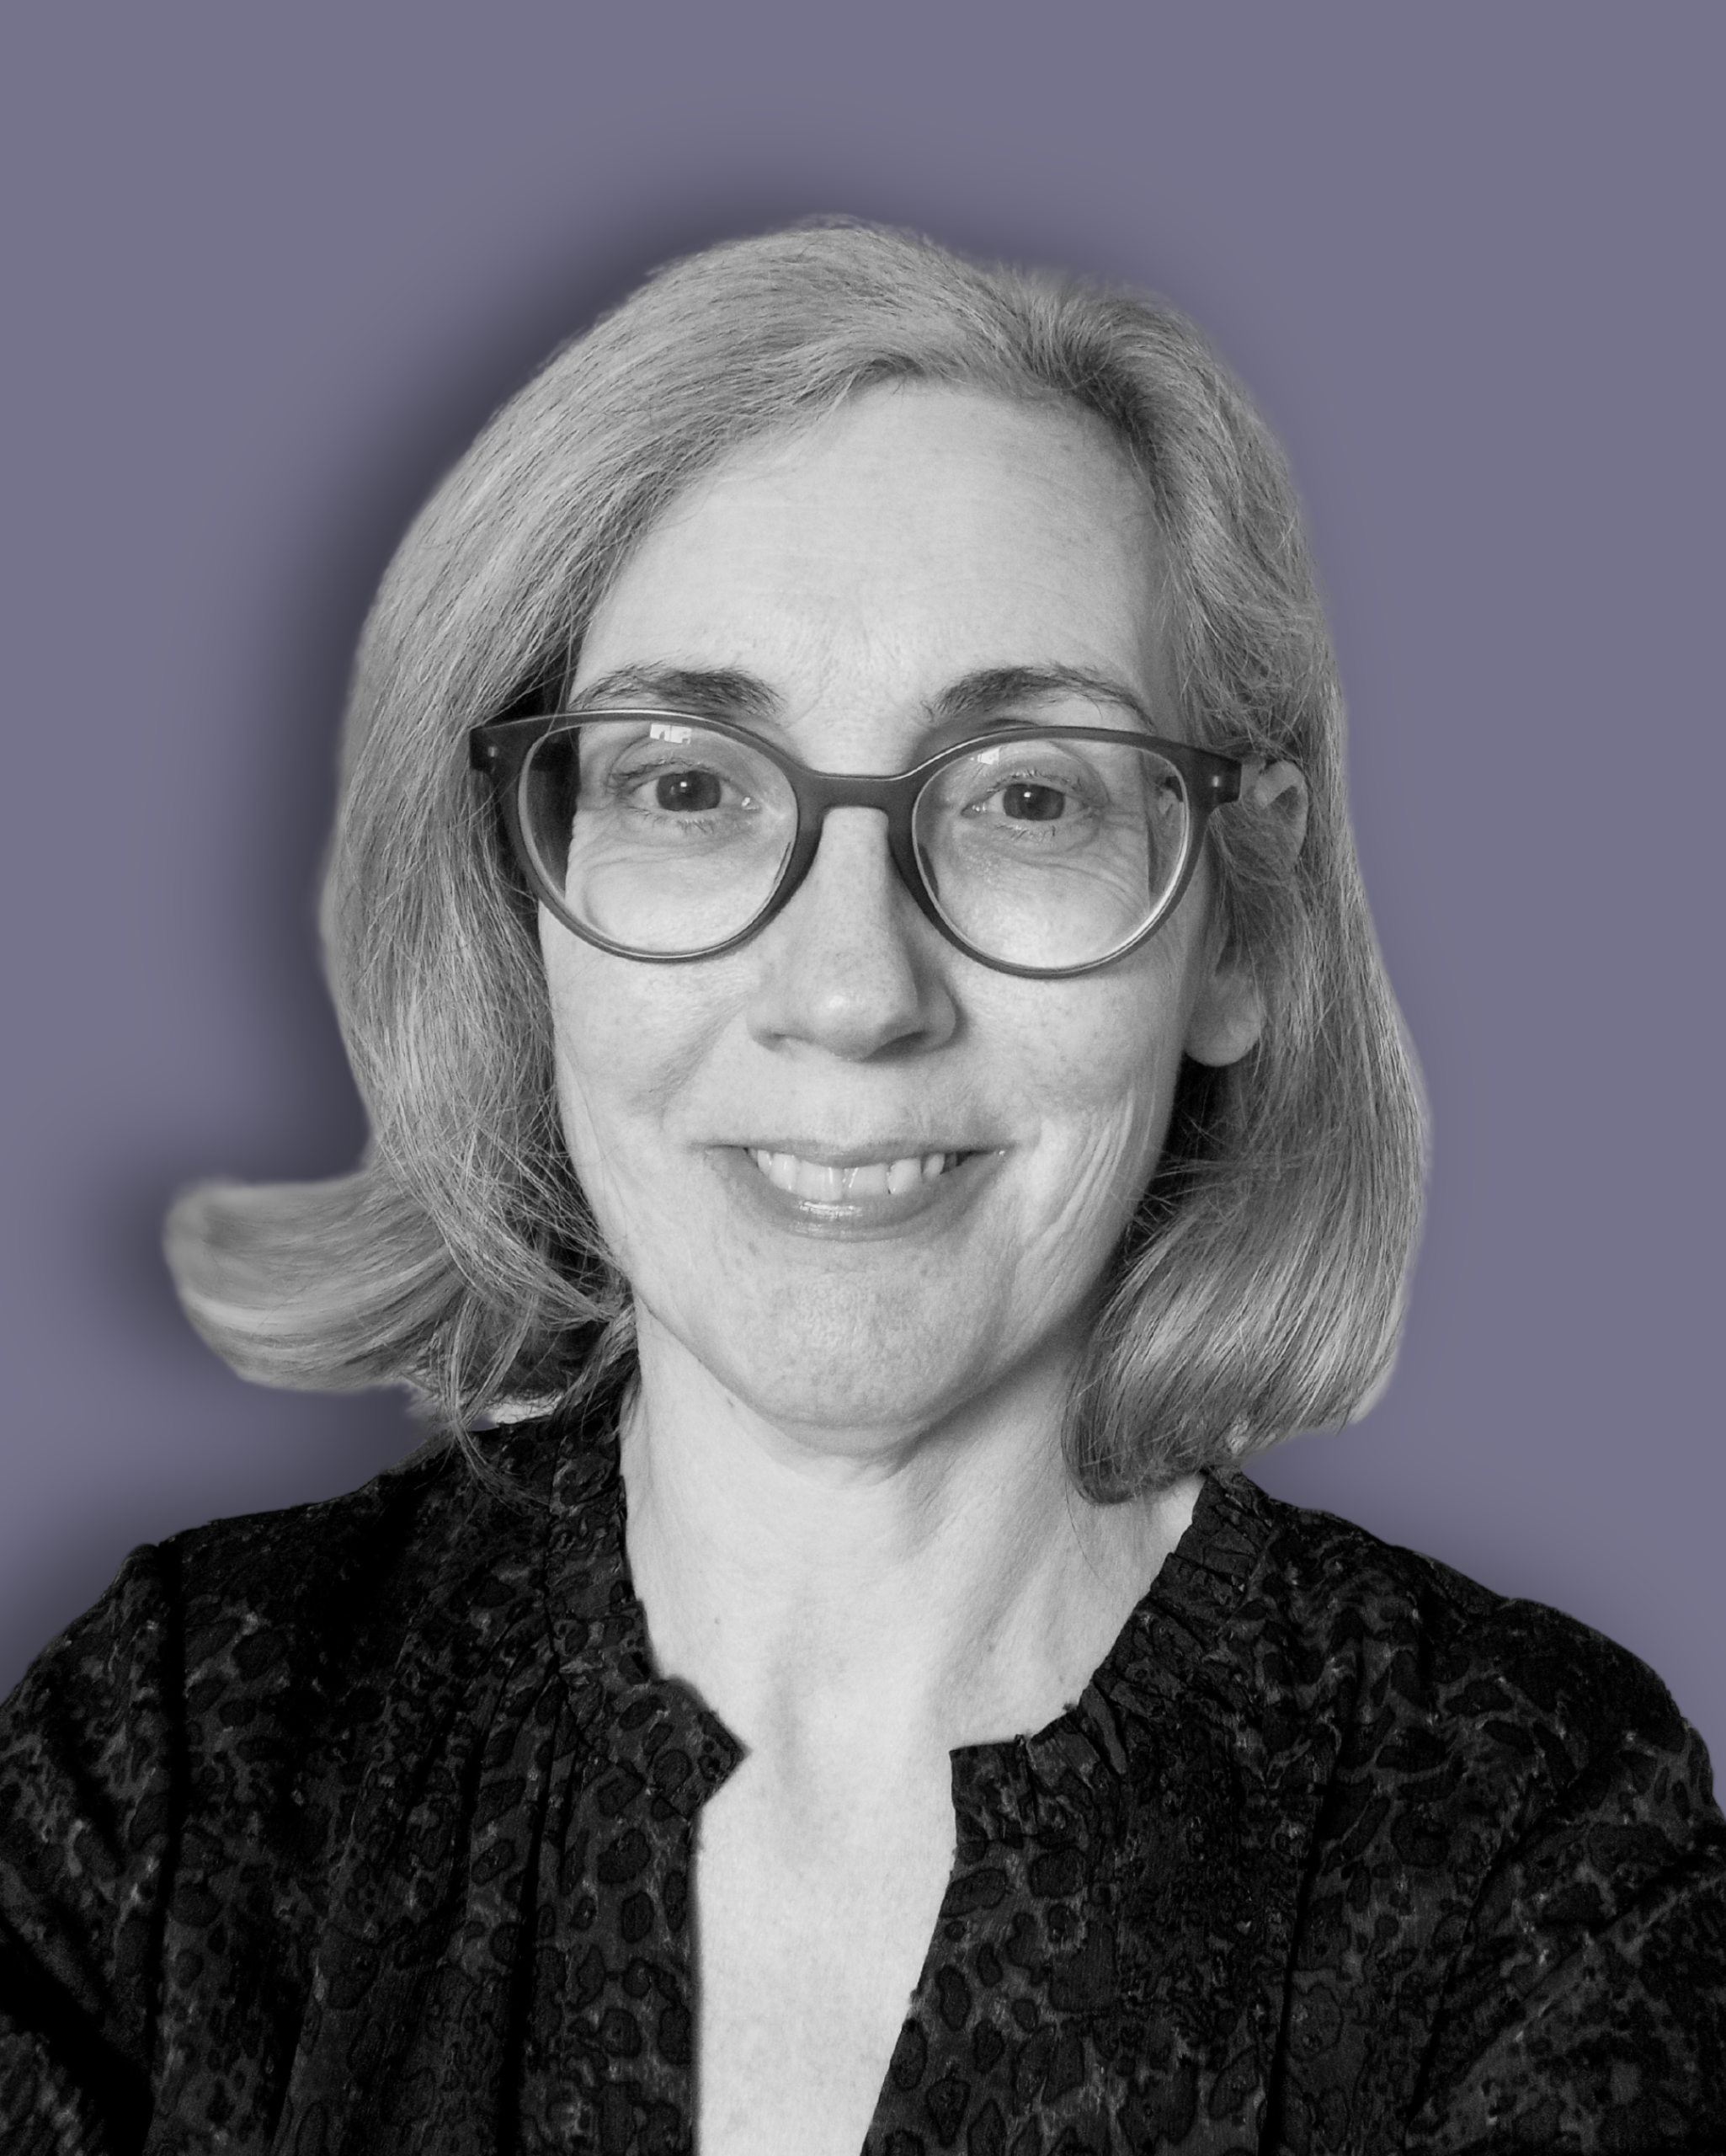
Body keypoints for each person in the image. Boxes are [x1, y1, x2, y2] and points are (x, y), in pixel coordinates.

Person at [1, 221, 1721, 2154]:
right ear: (516, 902)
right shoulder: (176, 1757)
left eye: (1026, 795)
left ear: (1237, 928)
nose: (847, 990)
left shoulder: (1527, 1841)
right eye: (685, 784)